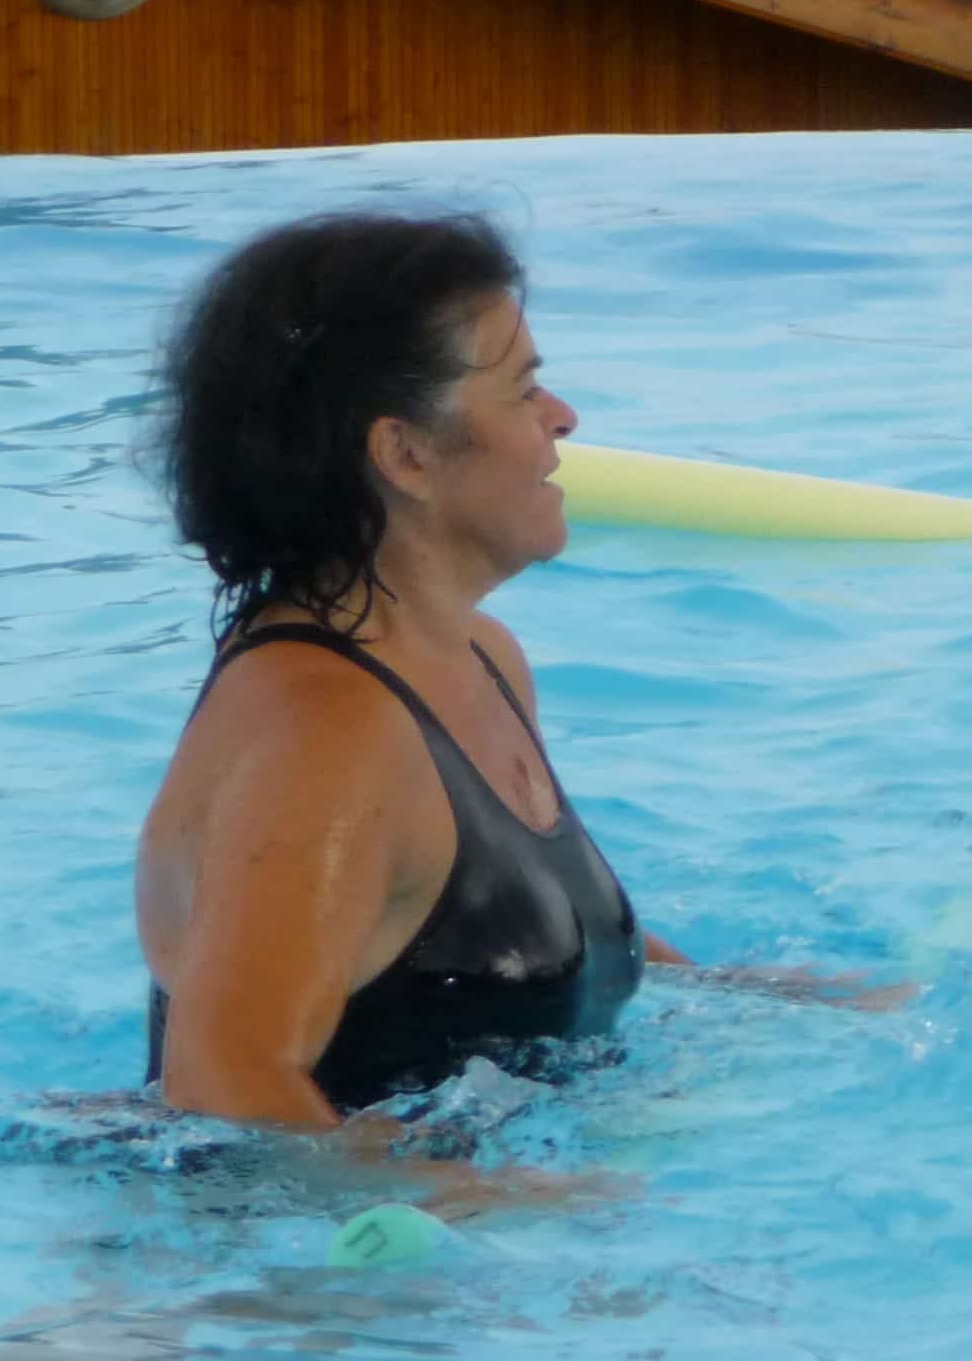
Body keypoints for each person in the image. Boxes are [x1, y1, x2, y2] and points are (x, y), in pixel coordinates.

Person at [137, 211, 887, 1135]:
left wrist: (762, 996)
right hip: (324, 1229)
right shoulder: (325, 731)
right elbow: (223, 1086)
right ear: (406, 454)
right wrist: (503, 1203)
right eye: (524, 390)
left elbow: (515, 934)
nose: (562, 416)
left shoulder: (480, 658)